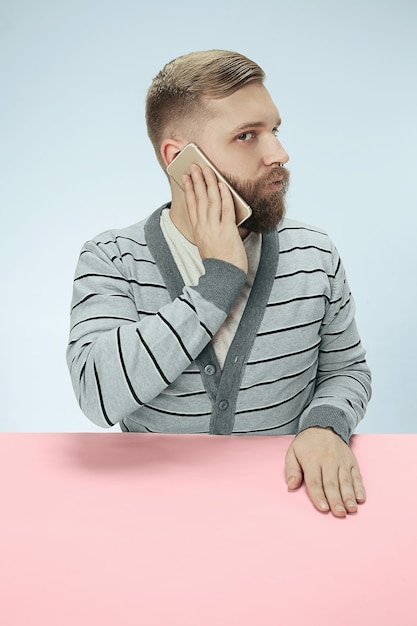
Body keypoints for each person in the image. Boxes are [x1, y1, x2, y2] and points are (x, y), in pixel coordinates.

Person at [66, 49, 372, 518]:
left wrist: (325, 427)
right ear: (180, 160)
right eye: (246, 136)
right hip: (150, 519)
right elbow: (98, 394)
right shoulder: (112, 259)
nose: (278, 154)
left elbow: (346, 370)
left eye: (275, 130)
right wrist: (219, 280)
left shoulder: (314, 254)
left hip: (287, 513)